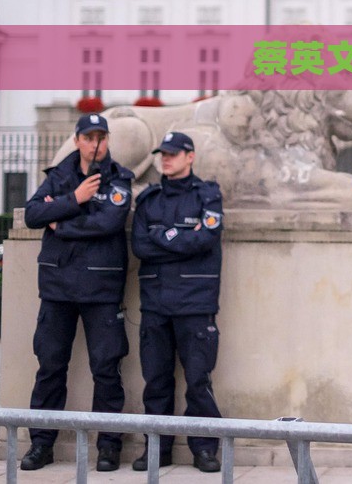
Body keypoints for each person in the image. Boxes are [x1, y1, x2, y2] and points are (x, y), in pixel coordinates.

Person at [20, 113, 133, 472]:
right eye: (89, 137)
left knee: (106, 368)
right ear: (78, 140)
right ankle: (41, 444)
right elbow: (33, 214)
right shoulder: (58, 176)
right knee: (50, 365)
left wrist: (62, 222)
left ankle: (109, 444)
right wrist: (75, 198)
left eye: (101, 137)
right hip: (57, 289)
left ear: (108, 141)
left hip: (101, 288)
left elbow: (108, 223)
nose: (95, 143)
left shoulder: (118, 179)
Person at [130, 131, 225, 473]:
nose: (165, 159)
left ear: (190, 157)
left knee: (198, 381)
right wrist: (182, 239)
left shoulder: (207, 195)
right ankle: (158, 448)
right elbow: (140, 247)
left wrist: (164, 236)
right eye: (162, 154)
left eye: (173, 154)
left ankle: (204, 449)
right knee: (156, 382)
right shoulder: (149, 199)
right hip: (156, 303)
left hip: (196, 303)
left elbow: (207, 238)